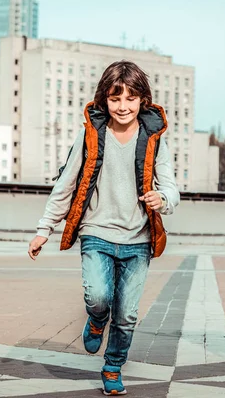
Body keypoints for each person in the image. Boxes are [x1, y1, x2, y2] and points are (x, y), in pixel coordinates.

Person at [27, 60, 180, 395]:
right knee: (98, 298)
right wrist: (44, 229)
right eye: (115, 99)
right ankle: (96, 321)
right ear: (104, 100)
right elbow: (66, 184)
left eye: (130, 98)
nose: (122, 106)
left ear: (143, 100)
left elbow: (171, 187)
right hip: (96, 233)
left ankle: (113, 366)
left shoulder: (153, 138)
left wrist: (162, 199)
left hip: (138, 239)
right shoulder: (91, 135)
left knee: (126, 315)